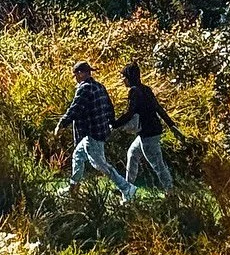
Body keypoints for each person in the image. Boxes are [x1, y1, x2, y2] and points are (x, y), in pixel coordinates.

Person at [55, 61, 135, 199]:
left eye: (75, 75)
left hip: (92, 133)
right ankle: (73, 188)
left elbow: (75, 109)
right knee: (78, 156)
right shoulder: (99, 87)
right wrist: (111, 123)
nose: (75, 78)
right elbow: (109, 108)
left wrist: (61, 125)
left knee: (100, 165)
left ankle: (126, 187)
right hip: (99, 131)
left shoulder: (84, 88)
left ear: (80, 73)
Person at [115, 62, 184, 193]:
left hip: (148, 134)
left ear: (129, 77)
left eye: (123, 77)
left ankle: (171, 192)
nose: (122, 80)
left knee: (157, 164)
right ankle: (128, 187)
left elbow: (130, 113)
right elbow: (158, 108)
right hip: (151, 130)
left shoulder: (134, 91)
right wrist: (172, 126)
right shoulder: (146, 89)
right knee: (132, 154)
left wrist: (114, 124)